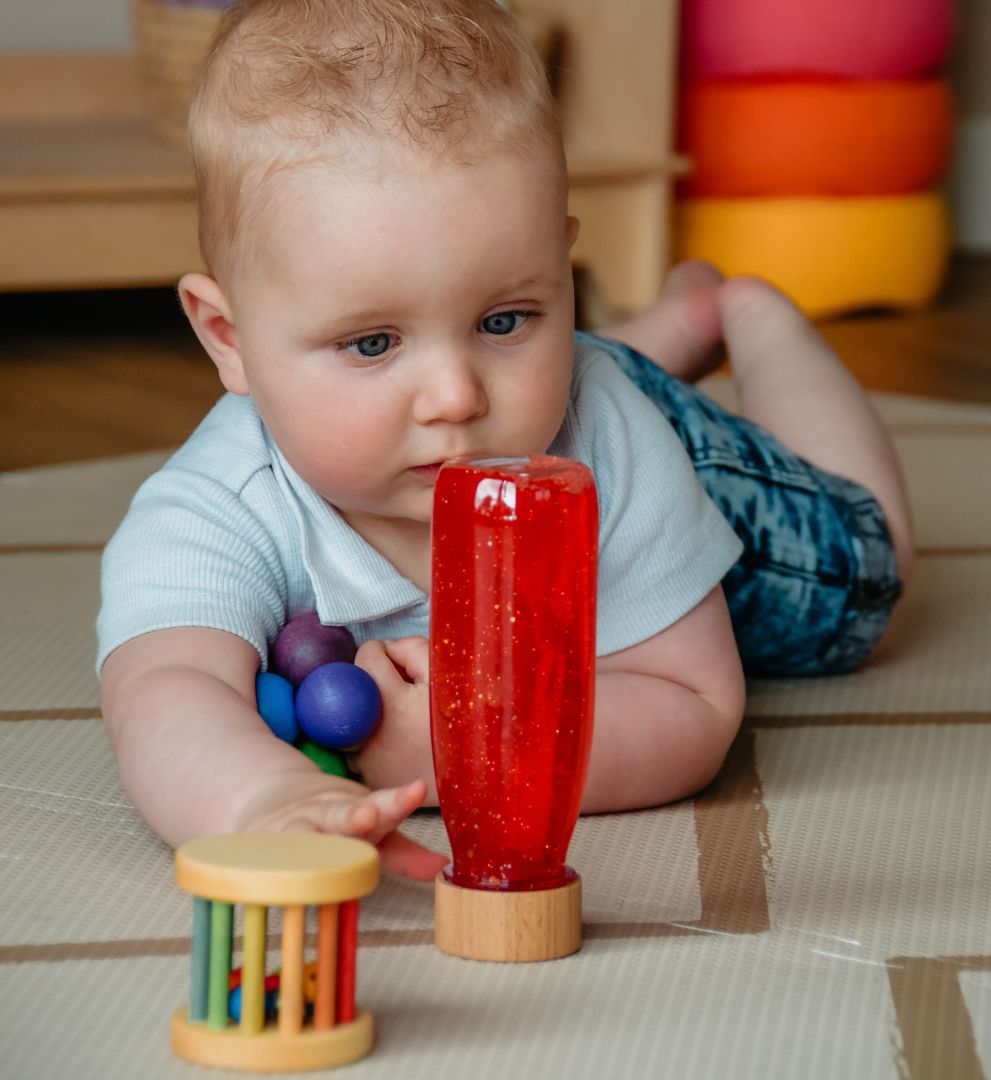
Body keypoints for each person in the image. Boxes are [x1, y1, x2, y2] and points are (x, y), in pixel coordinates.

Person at [98, 0, 913, 881]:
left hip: (632, 437)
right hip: (553, 383)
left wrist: (462, 747)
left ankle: (750, 314)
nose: (452, 398)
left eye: (505, 314)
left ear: (559, 275)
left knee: (864, 568)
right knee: (541, 375)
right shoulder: (220, 501)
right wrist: (264, 797)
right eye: (373, 343)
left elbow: (695, 707)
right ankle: (650, 326)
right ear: (230, 339)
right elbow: (166, 688)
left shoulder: (611, 446)